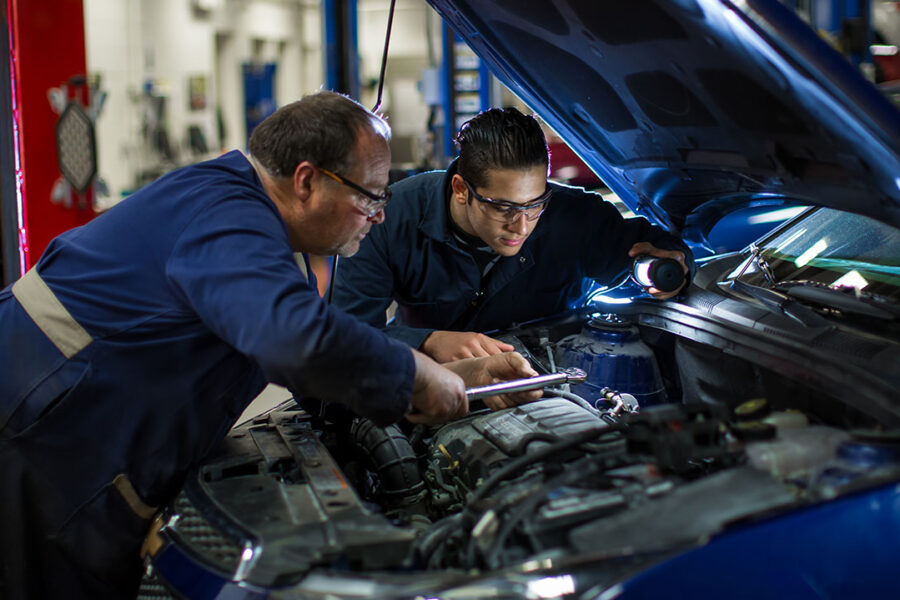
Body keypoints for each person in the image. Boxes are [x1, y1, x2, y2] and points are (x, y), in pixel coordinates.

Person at [0, 91, 538, 600]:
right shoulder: (227, 216)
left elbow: (314, 358)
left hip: (69, 443)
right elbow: (294, 340)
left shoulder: (256, 229)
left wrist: (462, 378)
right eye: (369, 197)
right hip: (36, 441)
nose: (378, 216)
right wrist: (415, 378)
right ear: (306, 181)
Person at [332, 107, 695, 363]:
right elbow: (346, 333)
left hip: (547, 375)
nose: (521, 226)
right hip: (429, 378)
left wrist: (673, 263)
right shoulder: (391, 219)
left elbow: (662, 249)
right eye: (503, 208)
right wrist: (428, 342)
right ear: (461, 188)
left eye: (534, 205)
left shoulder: (574, 217)